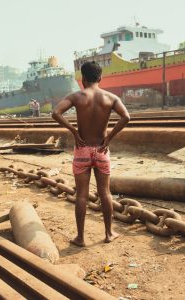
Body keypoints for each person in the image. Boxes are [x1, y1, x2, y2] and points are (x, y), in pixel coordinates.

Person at [52, 61, 130, 247]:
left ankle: (80, 238)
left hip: (82, 150)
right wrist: (109, 138)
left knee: (81, 195)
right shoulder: (110, 97)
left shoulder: (77, 96)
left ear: (83, 79)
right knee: (105, 193)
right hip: (102, 150)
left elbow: (56, 113)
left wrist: (74, 131)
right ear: (100, 78)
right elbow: (126, 117)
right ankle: (109, 233)